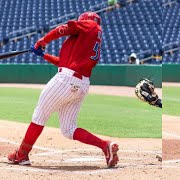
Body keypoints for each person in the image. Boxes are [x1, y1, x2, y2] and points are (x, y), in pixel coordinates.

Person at [7, 12, 119, 168]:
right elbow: (63, 62)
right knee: (68, 129)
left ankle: (21, 155)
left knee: (39, 116)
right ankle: (104, 145)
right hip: (81, 84)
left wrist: (43, 40)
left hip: (65, 80)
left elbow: (64, 28)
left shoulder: (90, 25)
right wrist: (44, 55)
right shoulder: (89, 39)